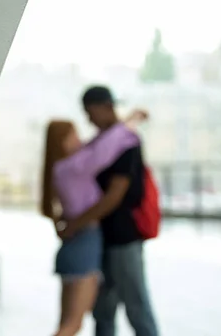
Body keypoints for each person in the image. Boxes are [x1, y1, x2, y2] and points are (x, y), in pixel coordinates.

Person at [58, 86, 158, 336]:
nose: (88, 119)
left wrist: (76, 223)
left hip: (123, 237)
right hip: (100, 238)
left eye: (90, 112)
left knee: (136, 304)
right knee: (103, 310)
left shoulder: (125, 144)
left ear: (105, 107)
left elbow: (114, 195)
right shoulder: (103, 143)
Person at [41, 110, 147, 336]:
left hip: (73, 248)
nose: (80, 141)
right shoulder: (75, 167)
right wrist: (132, 120)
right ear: (62, 142)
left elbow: (97, 146)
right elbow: (104, 149)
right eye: (74, 136)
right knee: (72, 326)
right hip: (84, 244)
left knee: (66, 324)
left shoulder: (60, 170)